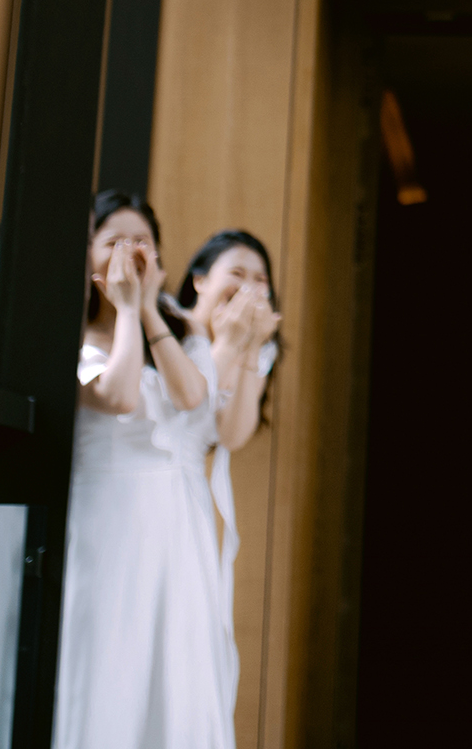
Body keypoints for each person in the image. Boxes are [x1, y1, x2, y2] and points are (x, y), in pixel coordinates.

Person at [53, 191, 234, 749]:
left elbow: (192, 398)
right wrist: (127, 311)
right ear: (86, 254)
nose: (129, 252)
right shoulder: (69, 331)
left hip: (175, 524)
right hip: (104, 516)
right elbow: (121, 395)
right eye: (113, 241)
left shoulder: (179, 328)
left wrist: (147, 308)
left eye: (142, 242)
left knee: (174, 664)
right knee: (108, 656)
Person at [174, 227, 283, 673]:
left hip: (192, 493)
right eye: (237, 273)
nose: (249, 288)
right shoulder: (168, 326)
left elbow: (232, 435)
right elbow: (184, 406)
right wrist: (228, 344)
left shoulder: (261, 347)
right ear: (200, 280)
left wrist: (250, 348)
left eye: (261, 280)